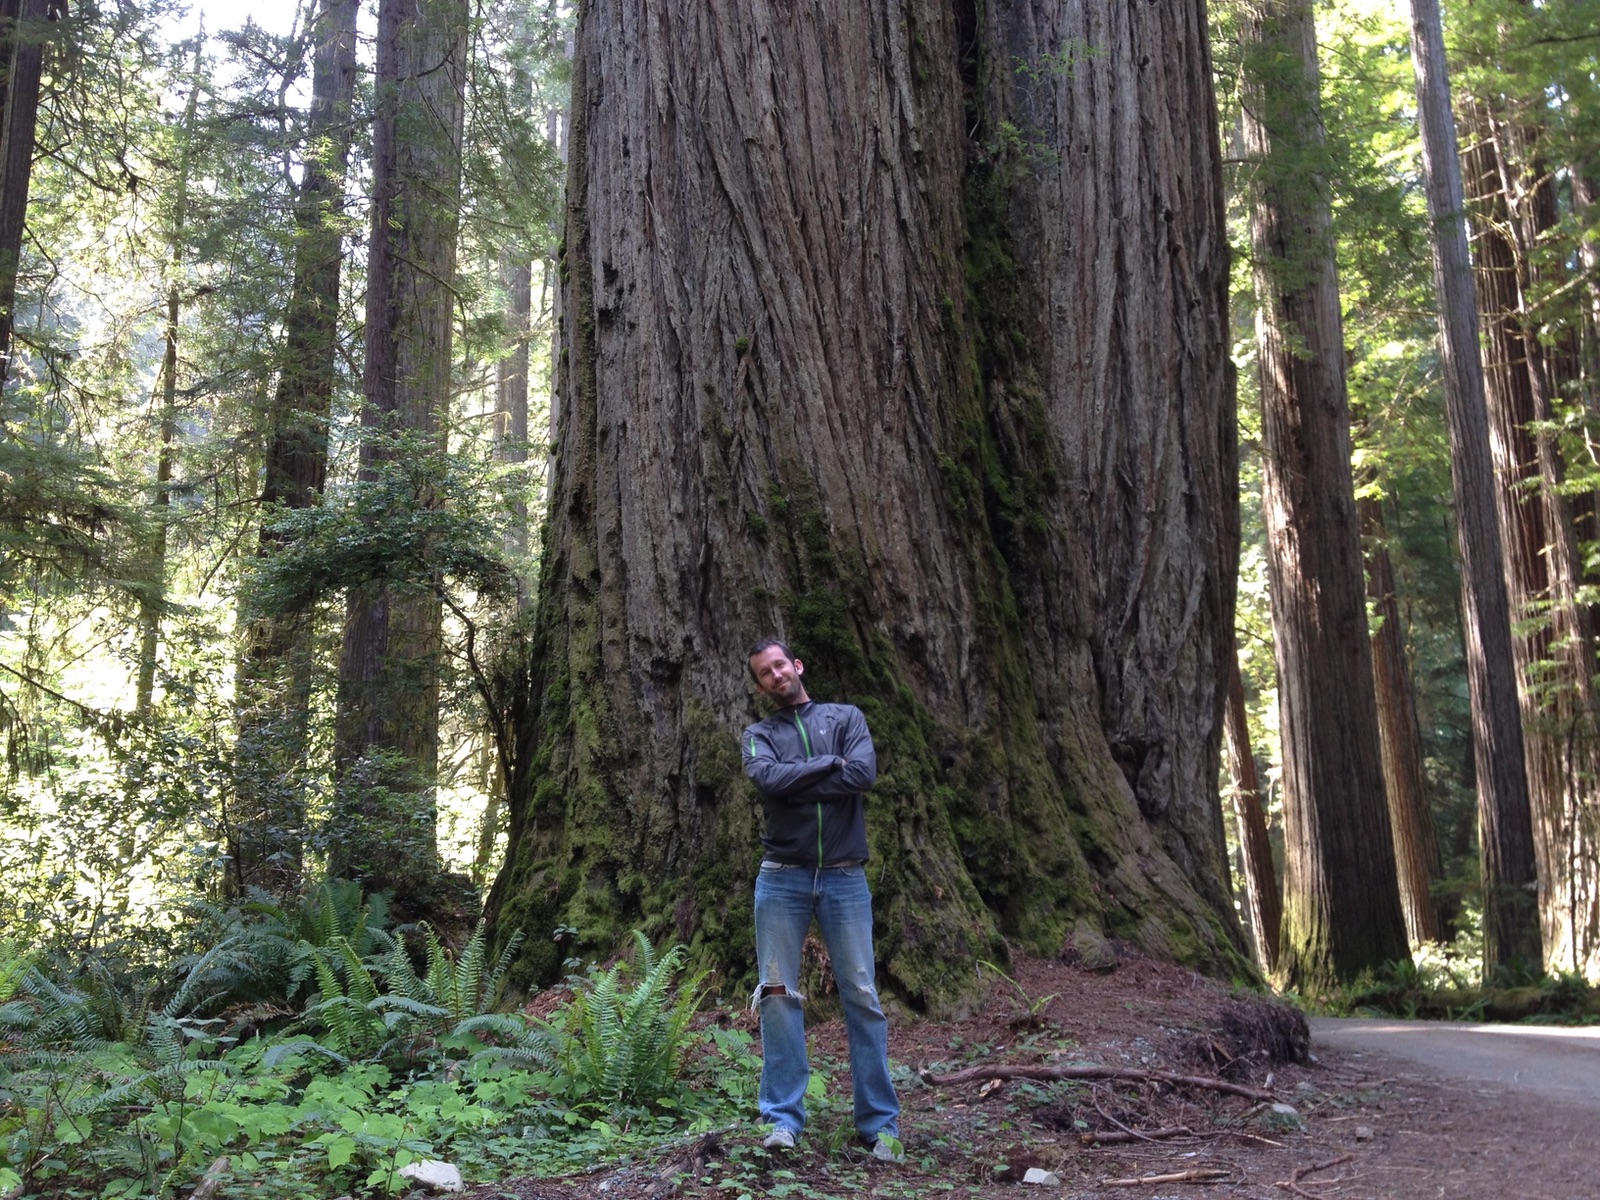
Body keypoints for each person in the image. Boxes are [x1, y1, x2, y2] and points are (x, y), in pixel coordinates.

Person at [740, 638, 902, 1161]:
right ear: (761, 683)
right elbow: (766, 779)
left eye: (779, 665)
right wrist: (829, 768)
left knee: (861, 994)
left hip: (843, 877)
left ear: (797, 666)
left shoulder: (846, 717)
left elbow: (863, 774)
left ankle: (879, 1125)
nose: (775, 676)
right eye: (764, 673)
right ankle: (783, 1120)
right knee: (779, 995)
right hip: (781, 878)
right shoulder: (758, 734)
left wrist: (797, 783)